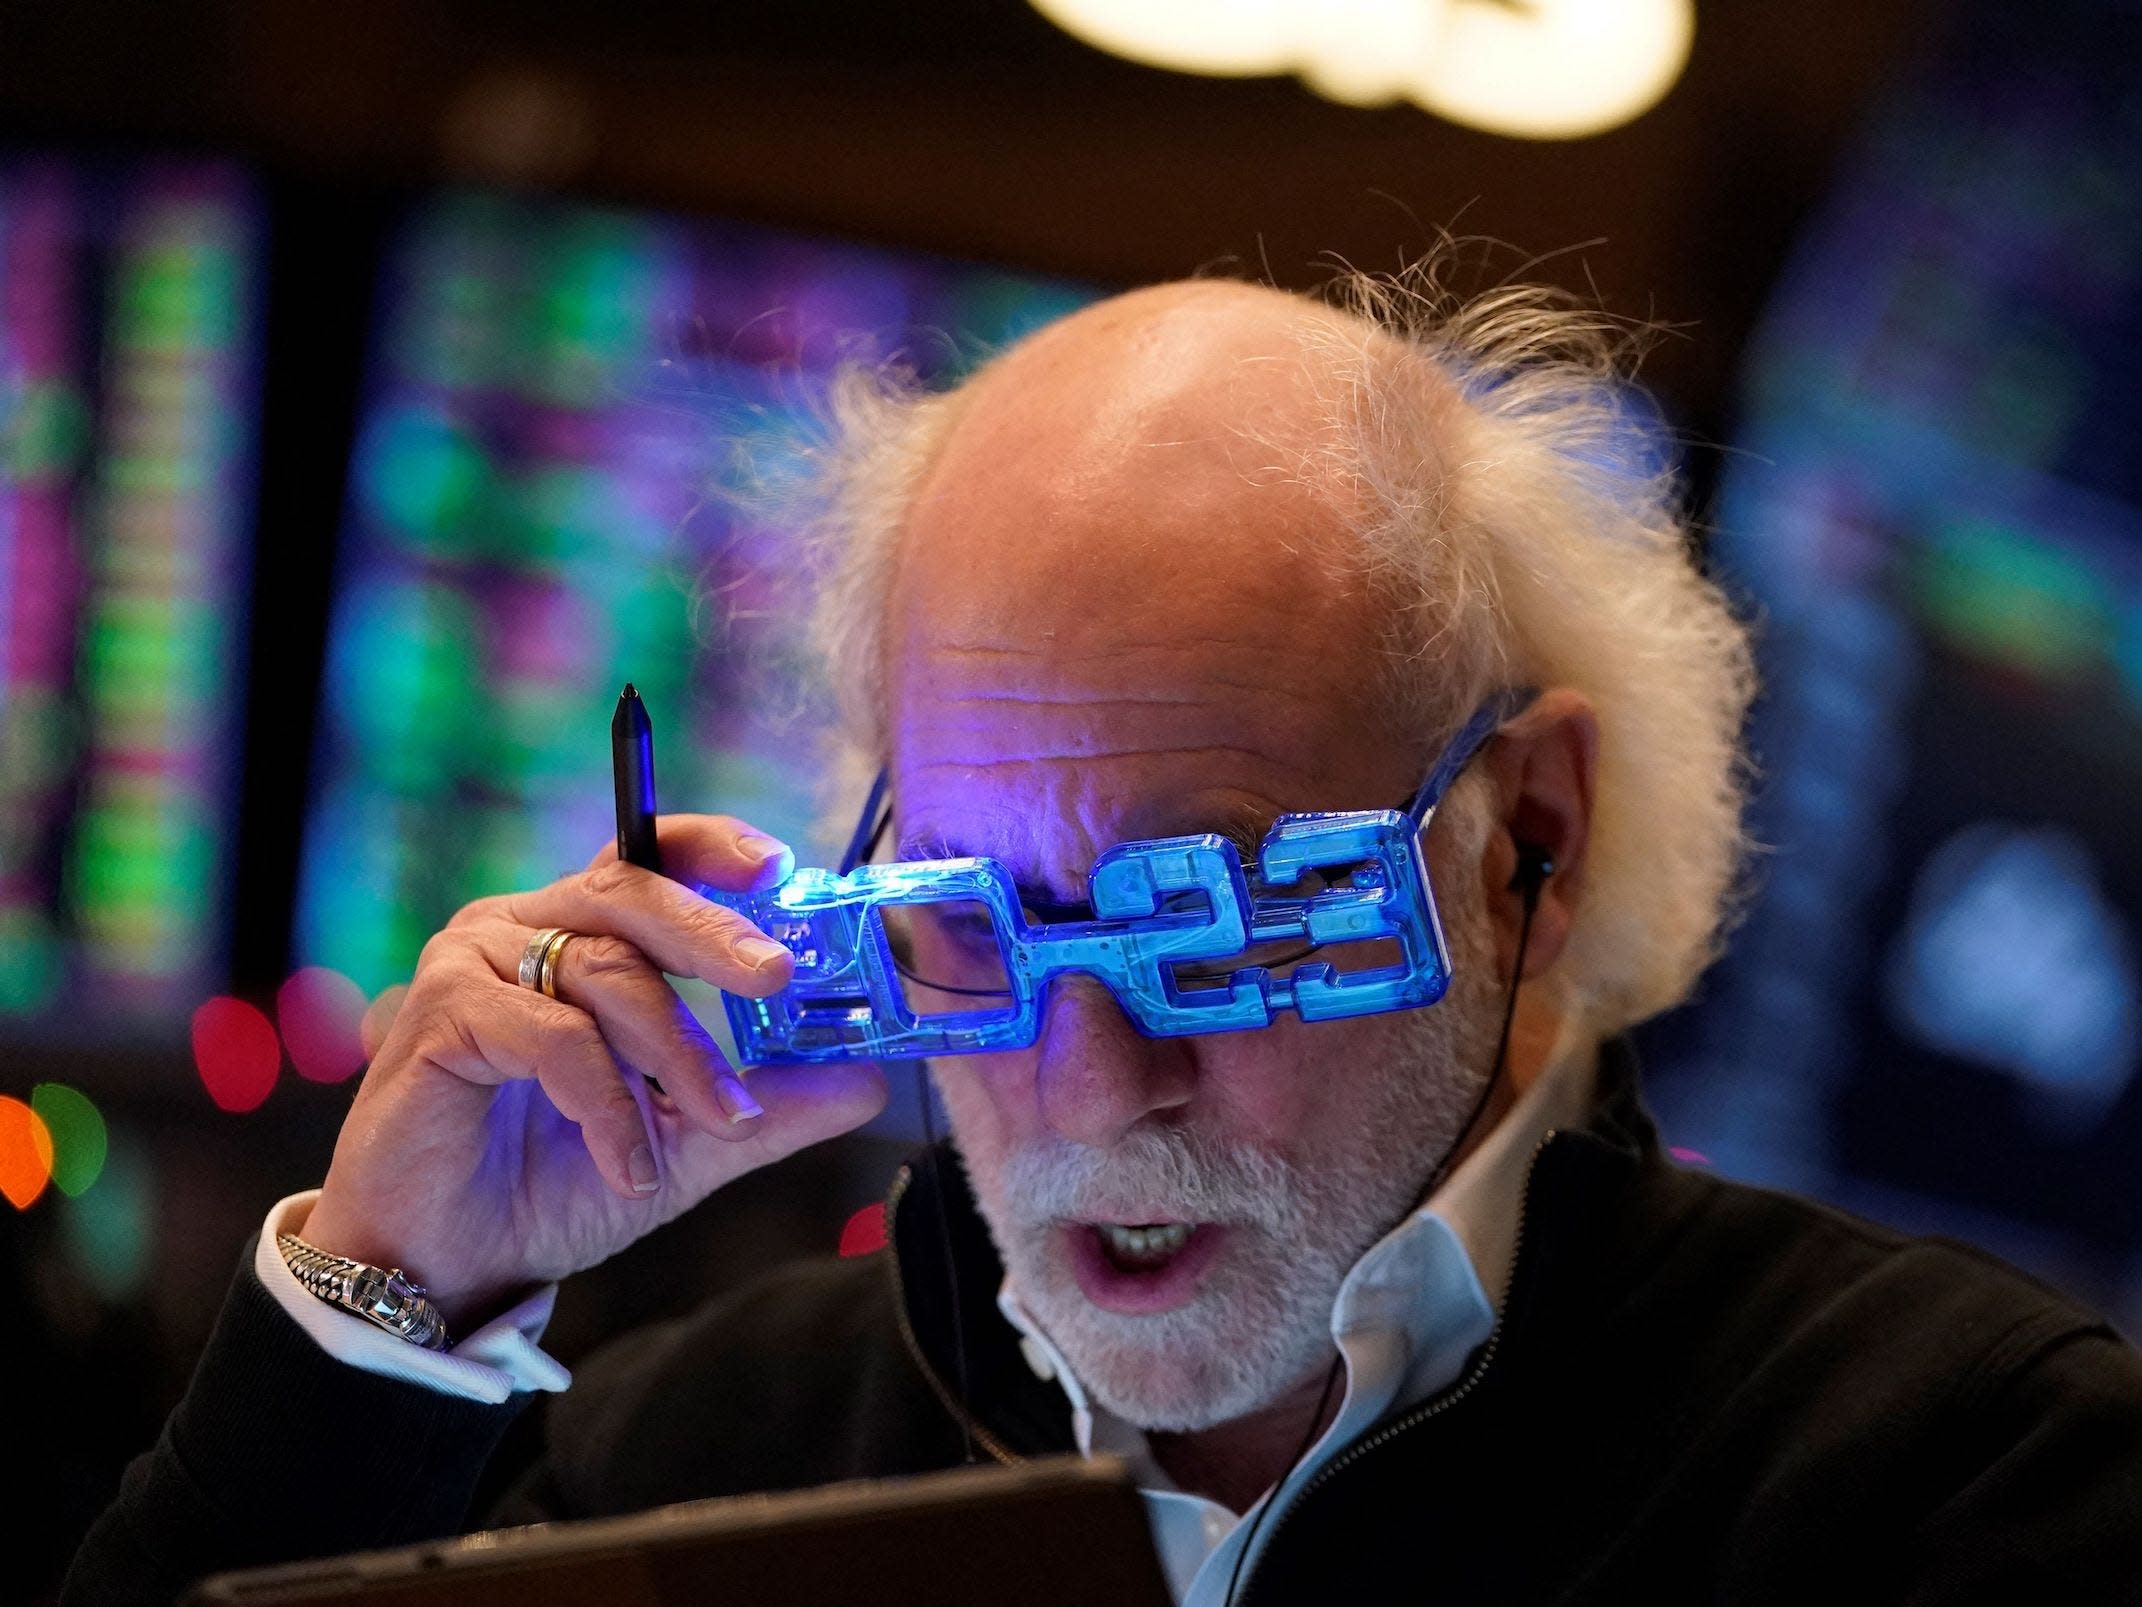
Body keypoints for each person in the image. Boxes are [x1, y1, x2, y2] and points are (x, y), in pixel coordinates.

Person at [68, 271, 2142, 1606]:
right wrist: (393, 1302)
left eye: (1224, 910)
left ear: (1534, 831)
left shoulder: (1963, 1489)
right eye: (969, 914)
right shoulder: (691, 1473)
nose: (1090, 1077)